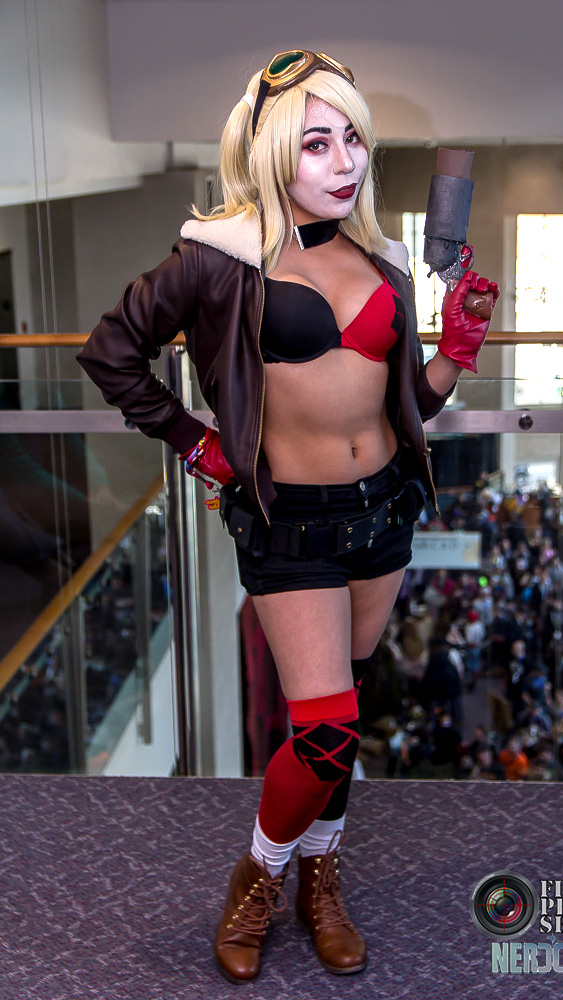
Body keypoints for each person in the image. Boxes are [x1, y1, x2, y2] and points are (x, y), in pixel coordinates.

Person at [76, 49, 498, 983]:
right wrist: (194, 442)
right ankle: (259, 878)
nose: (343, 161)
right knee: (327, 729)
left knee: (344, 707)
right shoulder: (219, 257)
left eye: (352, 138)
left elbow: (407, 407)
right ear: (272, 152)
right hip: (290, 524)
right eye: (316, 143)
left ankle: (321, 876)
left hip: (384, 511)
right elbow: (111, 353)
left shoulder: (383, 259)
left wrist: (457, 351)